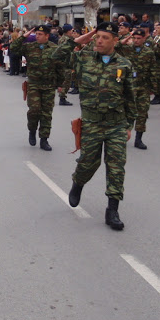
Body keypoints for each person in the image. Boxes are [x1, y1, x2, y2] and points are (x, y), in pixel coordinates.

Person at [53, 22, 137, 231]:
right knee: (89, 162)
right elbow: (57, 55)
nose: (99, 40)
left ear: (115, 41)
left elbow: (129, 97)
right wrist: (84, 37)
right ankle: (78, 183)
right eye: (97, 36)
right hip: (91, 123)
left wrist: (129, 125)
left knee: (116, 166)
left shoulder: (124, 64)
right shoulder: (83, 59)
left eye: (104, 37)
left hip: (116, 124)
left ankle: (113, 209)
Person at [10, 24, 64, 151]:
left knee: (46, 113)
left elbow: (60, 68)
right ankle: (32, 130)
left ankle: (44, 139)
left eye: (40, 35)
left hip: (49, 85)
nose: (37, 36)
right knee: (34, 110)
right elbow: (13, 48)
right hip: (34, 84)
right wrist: (24, 36)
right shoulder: (29, 47)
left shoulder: (54, 48)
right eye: (36, 34)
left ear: (47, 36)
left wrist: (61, 85)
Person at [116, 28, 156, 149]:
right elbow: (116, 46)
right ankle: (123, 136)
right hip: (128, 86)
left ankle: (138, 139)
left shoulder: (149, 52)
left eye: (139, 38)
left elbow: (152, 70)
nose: (137, 40)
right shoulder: (127, 49)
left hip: (143, 86)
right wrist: (126, 39)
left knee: (142, 113)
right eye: (135, 38)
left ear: (144, 39)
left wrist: (153, 87)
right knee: (125, 112)